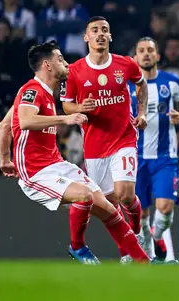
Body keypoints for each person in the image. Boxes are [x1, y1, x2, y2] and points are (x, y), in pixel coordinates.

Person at [0, 40, 150, 264]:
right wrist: (65, 118)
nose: (66, 63)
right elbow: (26, 120)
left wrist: (4, 160)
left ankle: (143, 261)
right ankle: (78, 247)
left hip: (56, 164)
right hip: (35, 172)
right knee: (84, 196)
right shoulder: (32, 90)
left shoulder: (46, 93)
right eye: (60, 59)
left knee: (108, 207)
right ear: (47, 65)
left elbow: (4, 125)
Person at [60, 16, 149, 263]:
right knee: (108, 205)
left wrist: (141, 113)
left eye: (105, 30)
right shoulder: (76, 70)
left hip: (124, 139)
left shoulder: (126, 64)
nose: (100, 34)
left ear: (110, 37)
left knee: (125, 195)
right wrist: (80, 107)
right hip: (95, 148)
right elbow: (66, 106)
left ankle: (137, 233)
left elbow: (141, 85)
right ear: (86, 37)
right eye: (95, 30)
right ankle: (127, 253)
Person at [130, 37, 179, 261]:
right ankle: (147, 256)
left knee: (164, 208)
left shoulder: (171, 82)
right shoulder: (128, 86)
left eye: (150, 50)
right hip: (136, 158)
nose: (146, 54)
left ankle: (158, 236)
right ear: (135, 57)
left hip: (165, 156)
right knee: (140, 213)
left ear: (157, 56)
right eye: (141, 50)